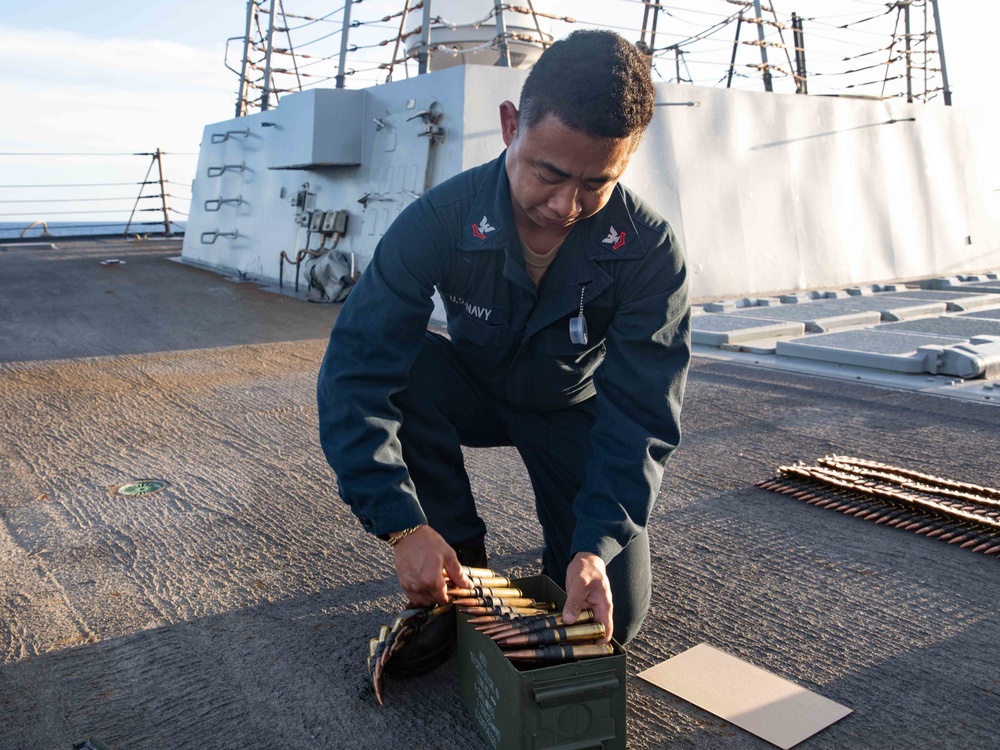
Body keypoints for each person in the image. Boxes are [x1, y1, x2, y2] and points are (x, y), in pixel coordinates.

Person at [317, 29, 690, 649]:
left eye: (597, 183)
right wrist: (401, 527)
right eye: (550, 172)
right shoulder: (438, 221)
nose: (567, 205)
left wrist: (596, 546)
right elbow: (355, 373)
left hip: (572, 410)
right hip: (477, 389)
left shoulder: (648, 251)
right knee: (403, 364)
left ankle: (566, 558)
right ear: (510, 125)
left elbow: (642, 412)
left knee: (613, 616)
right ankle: (454, 564)